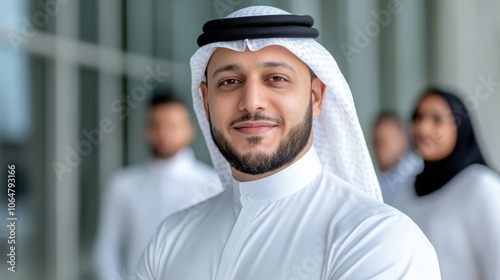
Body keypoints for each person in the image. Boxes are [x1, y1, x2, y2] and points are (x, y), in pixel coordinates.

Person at [136, 6, 440, 279]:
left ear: (315, 96)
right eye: (229, 82)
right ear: (205, 101)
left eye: (276, 79)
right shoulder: (170, 239)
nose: (251, 102)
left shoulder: (376, 239)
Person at [94, 93, 223, 280]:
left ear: (189, 130)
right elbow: (106, 249)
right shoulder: (123, 184)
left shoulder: (214, 184)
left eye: (171, 126)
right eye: (156, 125)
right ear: (146, 131)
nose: (163, 133)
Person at [388, 88, 500, 279]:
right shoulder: (404, 191)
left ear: (460, 126)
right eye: (418, 117)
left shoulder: (481, 186)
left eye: (437, 119)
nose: (423, 128)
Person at [372, 111, 423, 202]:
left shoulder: (421, 172)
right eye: (376, 141)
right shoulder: (374, 183)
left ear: (403, 139)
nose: (380, 148)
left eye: (385, 140)